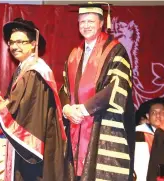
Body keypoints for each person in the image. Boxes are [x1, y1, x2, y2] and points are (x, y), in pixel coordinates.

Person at [60, 3, 135, 181]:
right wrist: (67, 109)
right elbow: (64, 88)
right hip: (76, 128)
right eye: (82, 21)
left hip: (101, 124)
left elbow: (117, 86)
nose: (86, 25)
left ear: (101, 22)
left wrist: (84, 110)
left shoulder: (115, 50)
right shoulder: (73, 54)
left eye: (91, 21)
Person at [0, 17, 67, 181]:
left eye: (20, 41)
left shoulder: (35, 72)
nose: (14, 47)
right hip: (33, 140)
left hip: (35, 142)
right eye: (11, 42)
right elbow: (14, 101)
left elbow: (18, 108)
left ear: (33, 44)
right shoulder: (24, 68)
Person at [134, 98, 164, 181]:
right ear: (148, 116)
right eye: (154, 112)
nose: (158, 115)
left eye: (161, 112)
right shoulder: (138, 133)